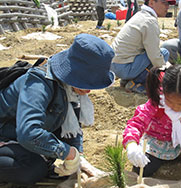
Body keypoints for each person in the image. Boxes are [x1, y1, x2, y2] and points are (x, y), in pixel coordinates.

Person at [0, 33, 115, 185]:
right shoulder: (38, 84)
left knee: (48, 158)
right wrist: (67, 153)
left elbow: (72, 128)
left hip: (16, 135)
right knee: (31, 168)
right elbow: (28, 133)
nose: (88, 91)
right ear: (73, 73)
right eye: (87, 82)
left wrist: (79, 156)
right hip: (5, 133)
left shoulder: (70, 88)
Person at [111, 0, 176, 94]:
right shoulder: (149, 21)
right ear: (151, 3)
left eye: (168, 4)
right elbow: (155, 56)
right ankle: (136, 83)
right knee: (164, 53)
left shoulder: (140, 15)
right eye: (164, 3)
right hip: (124, 67)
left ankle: (127, 80)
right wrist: (166, 70)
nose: (167, 7)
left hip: (116, 65)